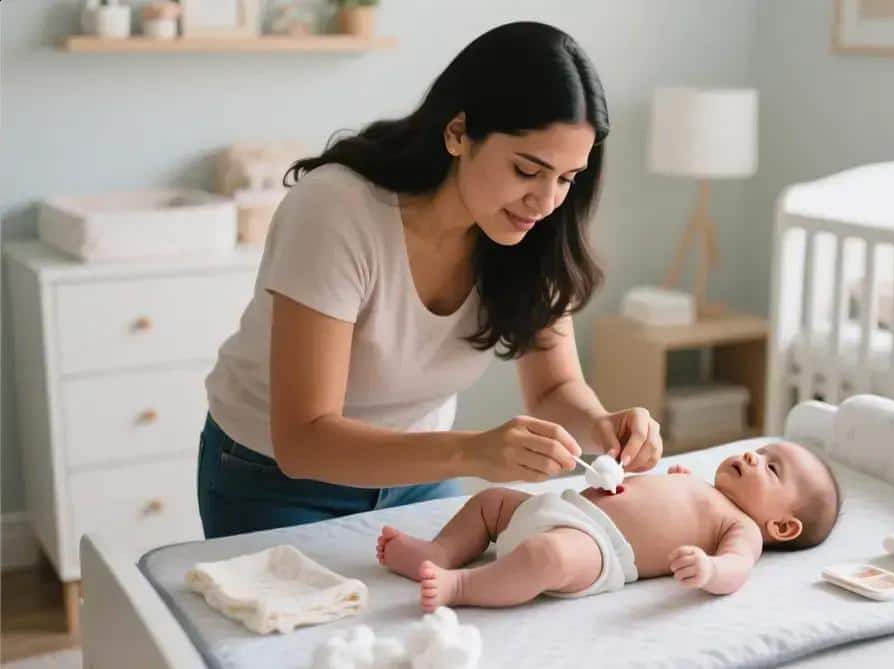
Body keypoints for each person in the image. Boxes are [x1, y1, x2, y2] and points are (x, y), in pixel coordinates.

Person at [198, 21, 663, 539]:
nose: (548, 201)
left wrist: (602, 426)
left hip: (419, 476)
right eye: (528, 170)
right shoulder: (337, 211)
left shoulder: (534, 232)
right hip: (273, 479)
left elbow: (554, 387)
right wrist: (473, 452)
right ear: (459, 132)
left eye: (566, 178)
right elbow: (304, 440)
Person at [375, 442, 842, 612]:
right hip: (562, 506)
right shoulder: (700, 486)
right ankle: (440, 552)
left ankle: (462, 584)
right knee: (491, 500)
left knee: (546, 559)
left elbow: (737, 568)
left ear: (782, 526)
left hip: (598, 548)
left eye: (771, 468)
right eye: (760, 451)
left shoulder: (739, 526)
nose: (750, 456)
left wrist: (709, 570)